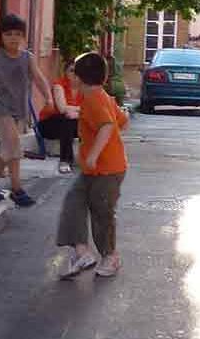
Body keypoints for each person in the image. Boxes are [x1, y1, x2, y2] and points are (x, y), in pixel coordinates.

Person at [57, 52, 129, 278]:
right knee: (73, 202)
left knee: (102, 213)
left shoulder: (94, 99)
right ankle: (82, 252)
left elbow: (107, 125)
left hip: (107, 170)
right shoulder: (101, 96)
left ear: (77, 78)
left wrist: (93, 155)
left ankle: (110, 256)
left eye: (72, 72)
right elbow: (122, 122)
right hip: (95, 170)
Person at [0, 14, 52, 207]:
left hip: (18, 110)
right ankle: (17, 189)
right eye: (8, 34)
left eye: (17, 34)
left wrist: (48, 96)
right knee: (14, 146)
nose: (13, 38)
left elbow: (38, 78)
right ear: (1, 36)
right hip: (0, 108)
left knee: (7, 150)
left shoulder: (28, 58)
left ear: (23, 37)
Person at [37, 55, 83, 174]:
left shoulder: (85, 88)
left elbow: (91, 110)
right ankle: (65, 160)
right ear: (65, 72)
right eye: (71, 70)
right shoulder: (59, 85)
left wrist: (78, 113)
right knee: (66, 118)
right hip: (48, 125)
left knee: (87, 121)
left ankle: (88, 158)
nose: (74, 73)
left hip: (70, 124)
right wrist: (81, 110)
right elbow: (62, 108)